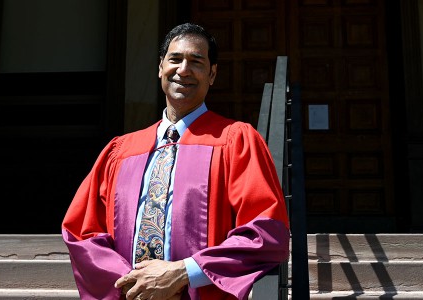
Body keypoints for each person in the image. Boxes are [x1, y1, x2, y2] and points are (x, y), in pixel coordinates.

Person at [61, 22, 290, 300]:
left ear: (212, 74)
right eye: (175, 59)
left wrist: (183, 273)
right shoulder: (120, 151)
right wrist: (135, 283)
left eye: (196, 61)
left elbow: (265, 233)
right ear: (160, 67)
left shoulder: (236, 141)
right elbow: (83, 233)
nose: (184, 70)